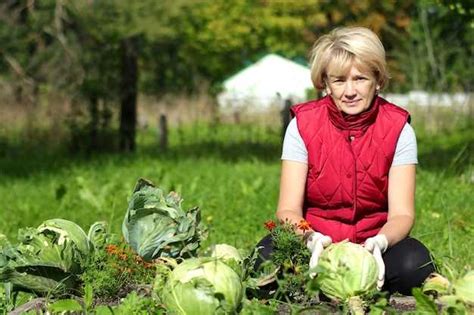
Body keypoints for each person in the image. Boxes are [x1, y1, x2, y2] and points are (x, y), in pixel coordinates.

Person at [255, 26, 435, 296]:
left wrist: (381, 243)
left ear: (378, 79)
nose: (350, 91)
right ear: (325, 83)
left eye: (360, 78)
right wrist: (310, 239)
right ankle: (325, 282)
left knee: (415, 264)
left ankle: (358, 282)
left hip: (372, 248)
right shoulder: (301, 125)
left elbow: (402, 214)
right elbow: (287, 209)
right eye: (339, 80)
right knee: (264, 258)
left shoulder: (399, 128)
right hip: (315, 247)